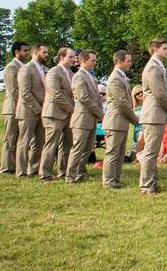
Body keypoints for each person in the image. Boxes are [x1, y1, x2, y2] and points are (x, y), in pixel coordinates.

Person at [139, 39, 167, 195]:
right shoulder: (153, 68)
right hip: (153, 114)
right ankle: (146, 185)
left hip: (157, 114)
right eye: (165, 48)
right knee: (151, 151)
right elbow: (159, 94)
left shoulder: (158, 66)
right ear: (155, 49)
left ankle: (151, 182)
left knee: (153, 151)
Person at [39, 47, 76, 182]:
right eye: (71, 57)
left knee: (67, 145)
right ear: (61, 57)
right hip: (54, 114)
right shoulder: (53, 72)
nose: (74, 59)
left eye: (74, 57)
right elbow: (56, 94)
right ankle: (45, 174)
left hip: (67, 115)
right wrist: (71, 109)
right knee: (51, 145)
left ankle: (63, 171)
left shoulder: (71, 73)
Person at [67, 50, 103, 183]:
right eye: (92, 60)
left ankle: (81, 172)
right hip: (82, 119)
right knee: (78, 148)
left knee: (87, 149)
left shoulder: (91, 77)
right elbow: (84, 99)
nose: (95, 62)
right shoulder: (78, 77)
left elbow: (97, 98)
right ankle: (70, 176)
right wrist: (100, 114)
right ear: (83, 61)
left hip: (92, 118)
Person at [102, 50, 136, 188]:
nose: (130, 63)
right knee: (112, 152)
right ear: (119, 61)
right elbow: (122, 102)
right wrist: (135, 118)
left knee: (120, 153)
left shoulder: (121, 76)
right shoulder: (115, 78)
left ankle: (115, 178)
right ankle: (109, 181)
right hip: (115, 121)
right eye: (128, 61)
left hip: (121, 121)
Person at [15, 43, 47, 177]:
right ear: (35, 53)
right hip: (28, 111)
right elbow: (25, 93)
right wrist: (39, 109)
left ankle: (33, 169)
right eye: (44, 52)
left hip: (42, 112)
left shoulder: (45, 69)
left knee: (39, 143)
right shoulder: (26, 69)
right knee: (24, 142)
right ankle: (21, 171)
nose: (47, 55)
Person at [0, 41, 28, 175]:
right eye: (24, 50)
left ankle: (16, 166)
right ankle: (6, 168)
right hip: (12, 107)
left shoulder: (24, 67)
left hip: (22, 108)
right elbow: (14, 90)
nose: (27, 53)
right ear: (16, 51)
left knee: (20, 138)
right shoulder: (11, 67)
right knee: (10, 138)